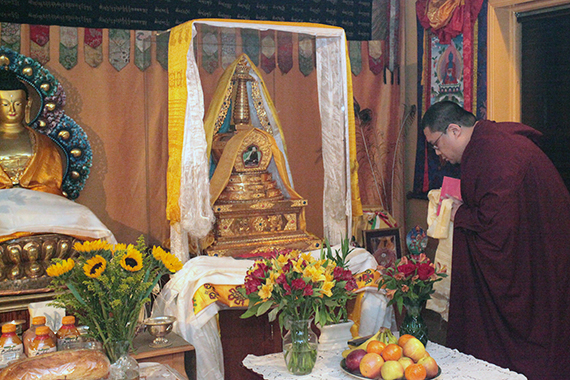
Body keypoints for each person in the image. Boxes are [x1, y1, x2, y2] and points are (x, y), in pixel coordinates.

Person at [422, 100, 570, 380]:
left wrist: (460, 213)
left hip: (538, 258)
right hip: (543, 248)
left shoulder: (493, 151)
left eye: (436, 144)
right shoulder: (490, 142)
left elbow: (497, 225)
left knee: (533, 335)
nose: (438, 153)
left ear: (454, 130)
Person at [0, 70, 65, 195]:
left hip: (37, 205)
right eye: (5, 104)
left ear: (27, 104)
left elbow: (51, 185)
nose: (12, 109)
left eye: (18, 104)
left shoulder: (43, 143)